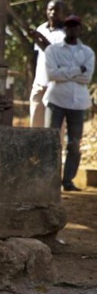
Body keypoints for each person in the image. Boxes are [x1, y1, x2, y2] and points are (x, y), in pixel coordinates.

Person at [43, 14, 95, 192]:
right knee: (51, 141)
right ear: (64, 28)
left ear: (80, 29)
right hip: (56, 99)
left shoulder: (87, 53)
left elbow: (86, 77)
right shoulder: (53, 50)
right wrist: (76, 70)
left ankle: (68, 181)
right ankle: (49, 180)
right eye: (69, 26)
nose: (72, 29)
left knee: (74, 143)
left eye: (75, 26)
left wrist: (64, 71)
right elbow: (52, 75)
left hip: (78, 103)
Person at [29, 0, 66, 128]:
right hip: (40, 83)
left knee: (54, 126)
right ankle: (34, 149)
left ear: (63, 13)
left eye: (56, 10)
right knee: (36, 123)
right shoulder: (41, 29)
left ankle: (57, 149)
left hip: (56, 86)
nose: (53, 12)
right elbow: (37, 56)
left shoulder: (66, 34)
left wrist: (40, 38)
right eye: (50, 9)